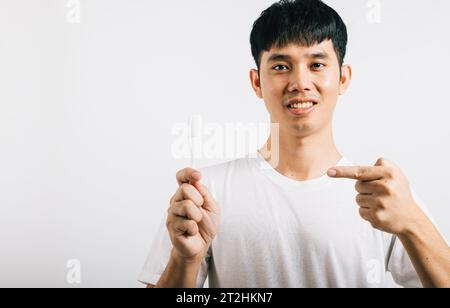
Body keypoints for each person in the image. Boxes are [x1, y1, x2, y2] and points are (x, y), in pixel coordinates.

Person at [140, 0, 450, 288]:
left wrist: (412, 223)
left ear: (343, 78)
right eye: (280, 66)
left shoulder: (383, 195)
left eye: (316, 65)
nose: (299, 82)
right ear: (256, 82)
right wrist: (185, 260)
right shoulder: (206, 195)